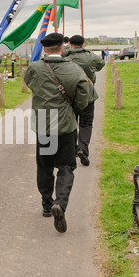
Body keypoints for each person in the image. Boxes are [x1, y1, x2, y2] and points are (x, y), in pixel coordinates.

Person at [25, 33, 89, 233]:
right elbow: (83, 97)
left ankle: (46, 205)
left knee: (44, 166)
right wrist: (74, 108)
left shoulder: (35, 68)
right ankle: (60, 203)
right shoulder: (74, 68)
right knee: (66, 167)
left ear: (44, 49)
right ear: (63, 47)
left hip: (44, 125)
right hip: (65, 126)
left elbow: (30, 84)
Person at [62, 34, 105, 166]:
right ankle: (83, 149)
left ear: (70, 44)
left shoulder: (64, 56)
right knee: (86, 123)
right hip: (87, 95)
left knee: (71, 123)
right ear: (83, 44)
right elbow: (101, 64)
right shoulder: (90, 56)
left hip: (68, 96)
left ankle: (72, 150)